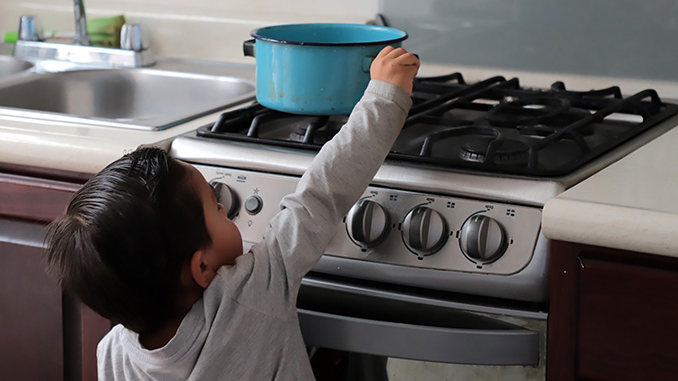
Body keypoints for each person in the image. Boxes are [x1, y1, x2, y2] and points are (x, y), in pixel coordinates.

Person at [45, 45, 420, 380]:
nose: (225, 207)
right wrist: (385, 97)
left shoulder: (111, 357)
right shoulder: (252, 290)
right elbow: (322, 193)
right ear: (202, 268)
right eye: (216, 208)